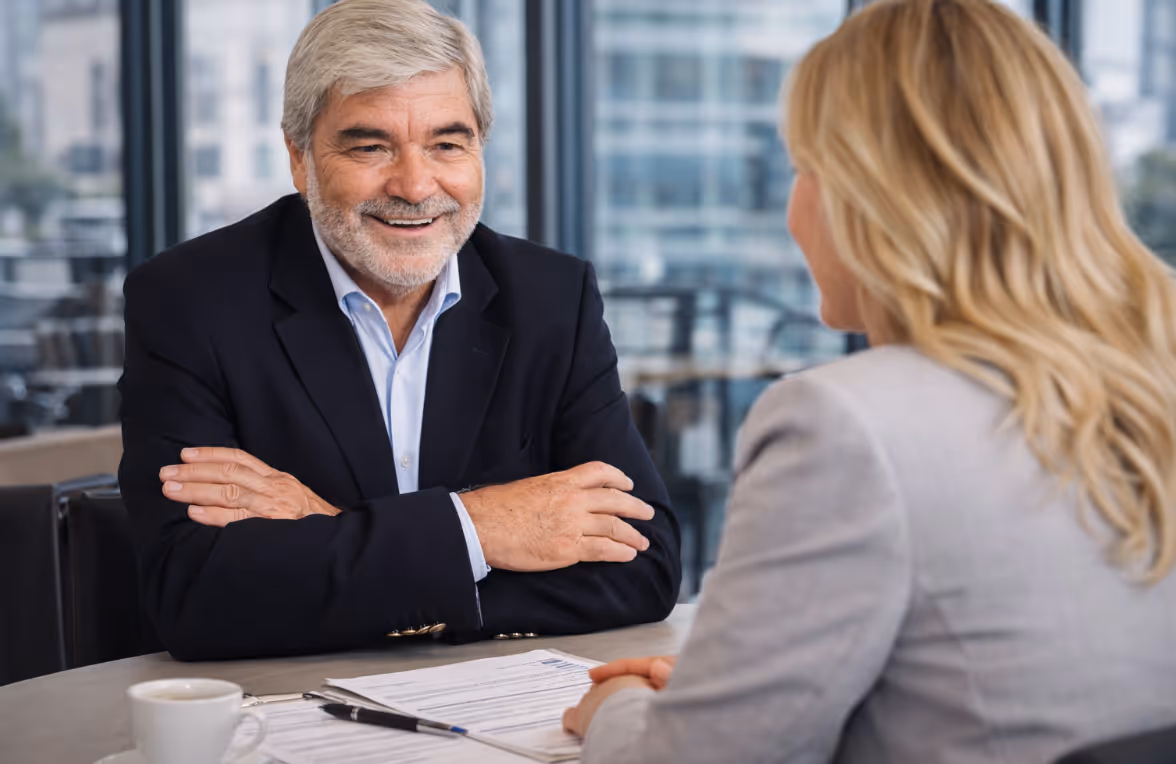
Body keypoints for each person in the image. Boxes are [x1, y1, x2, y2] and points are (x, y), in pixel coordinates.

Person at [563, 0, 1176, 761]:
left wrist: (619, 706)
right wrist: (738, 687)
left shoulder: (846, 424)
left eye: (802, 168)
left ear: (866, 194)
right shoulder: (1149, 375)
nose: (794, 207)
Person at [118, 0, 680, 661]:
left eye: (447, 144)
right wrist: (480, 530)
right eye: (370, 146)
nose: (415, 186)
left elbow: (644, 566)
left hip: (497, 701)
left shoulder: (552, 298)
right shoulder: (190, 300)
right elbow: (195, 595)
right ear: (299, 157)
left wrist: (336, 532)